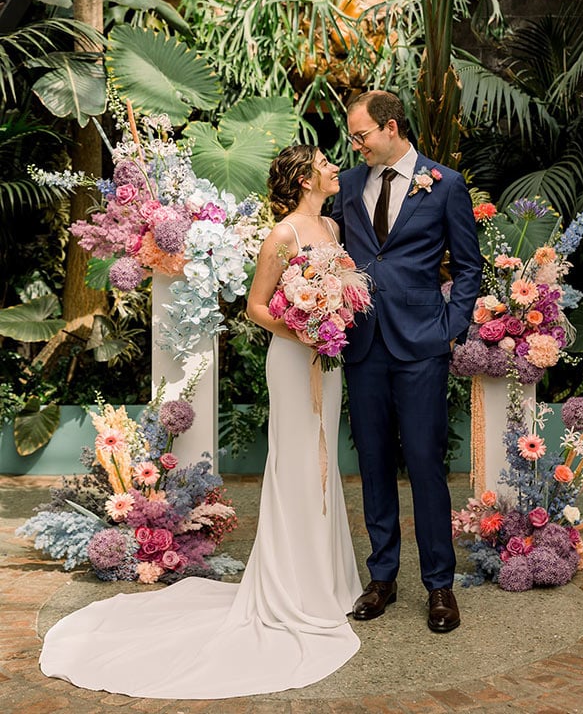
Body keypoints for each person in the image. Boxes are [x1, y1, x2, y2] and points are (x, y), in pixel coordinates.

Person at [39, 144, 363, 699]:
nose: (336, 168)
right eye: (326, 163)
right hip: (294, 358)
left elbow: (346, 286)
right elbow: (257, 306)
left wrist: (337, 311)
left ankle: (329, 583)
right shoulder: (281, 235)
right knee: (295, 462)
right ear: (305, 175)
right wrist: (305, 331)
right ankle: (293, 588)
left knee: (322, 459)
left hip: (326, 360)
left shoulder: (331, 226)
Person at [331, 90, 482, 633]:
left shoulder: (445, 185)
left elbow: (468, 266)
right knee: (373, 464)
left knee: (425, 465)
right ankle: (383, 578)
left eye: (361, 135)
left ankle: (440, 586)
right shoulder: (347, 186)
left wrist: (450, 329)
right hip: (364, 346)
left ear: (391, 128)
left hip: (422, 346)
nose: (356, 145)